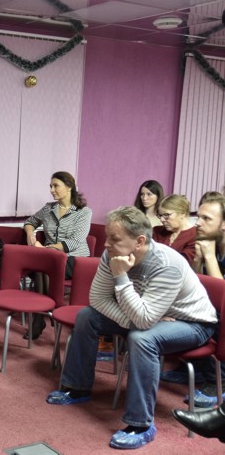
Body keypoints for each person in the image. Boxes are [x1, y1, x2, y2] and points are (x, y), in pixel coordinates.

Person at [46, 206, 218, 450]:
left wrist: (121, 277)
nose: (106, 244)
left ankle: (141, 425)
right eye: (107, 237)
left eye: (115, 239)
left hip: (193, 324)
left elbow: (144, 321)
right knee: (87, 316)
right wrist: (138, 320)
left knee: (142, 338)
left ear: (139, 241)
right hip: (147, 316)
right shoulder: (112, 254)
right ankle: (77, 387)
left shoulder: (167, 264)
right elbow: (98, 299)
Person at [162, 191, 225, 405]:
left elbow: (223, 297)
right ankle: (197, 368)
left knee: (212, 318)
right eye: (199, 216)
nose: (198, 223)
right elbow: (198, 289)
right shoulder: (210, 243)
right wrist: (198, 261)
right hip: (213, 308)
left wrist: (209, 257)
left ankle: (220, 380)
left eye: (207, 218)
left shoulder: (214, 250)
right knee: (180, 310)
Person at [24, 171, 91, 339]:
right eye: (50, 186)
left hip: (75, 259)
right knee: (43, 267)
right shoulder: (48, 208)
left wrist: (46, 249)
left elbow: (75, 242)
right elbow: (30, 222)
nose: (51, 190)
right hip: (48, 258)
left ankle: (40, 318)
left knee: (43, 268)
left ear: (69, 187)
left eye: (56, 186)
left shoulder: (83, 212)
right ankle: (49, 313)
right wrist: (30, 234)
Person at [151, 194, 196, 264]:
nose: (162, 220)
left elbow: (182, 263)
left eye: (166, 215)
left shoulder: (195, 235)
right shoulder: (156, 231)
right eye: (160, 215)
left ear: (182, 214)